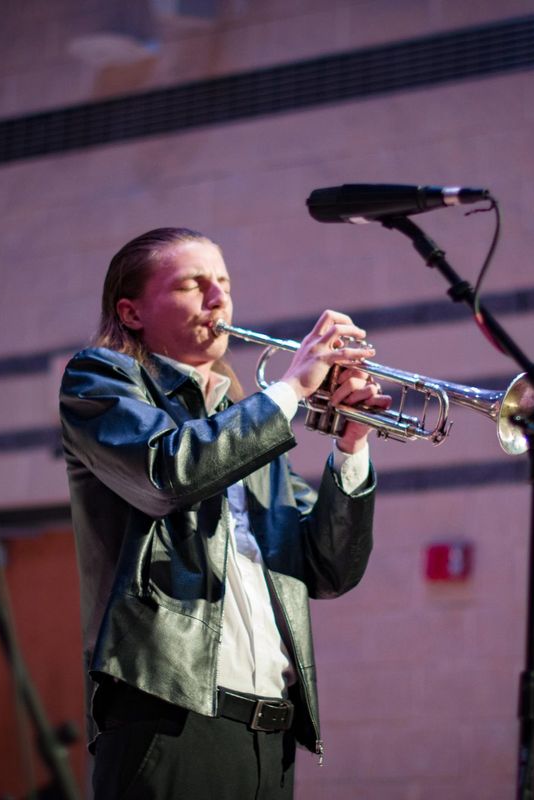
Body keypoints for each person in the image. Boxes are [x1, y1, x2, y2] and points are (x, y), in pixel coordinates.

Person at [59, 227, 387, 798]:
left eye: (224, 284)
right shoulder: (101, 379)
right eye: (193, 284)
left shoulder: (247, 422)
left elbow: (329, 569)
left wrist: (351, 444)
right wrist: (289, 391)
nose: (219, 300)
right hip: (170, 717)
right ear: (132, 312)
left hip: (270, 734)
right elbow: (167, 475)